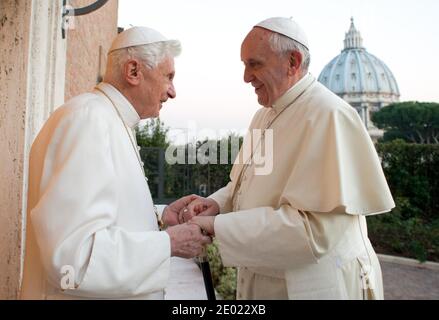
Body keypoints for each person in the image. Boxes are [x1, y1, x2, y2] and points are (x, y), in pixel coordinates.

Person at [174, 17, 395, 300]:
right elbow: (243, 184)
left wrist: (217, 227)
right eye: (244, 65)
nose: (245, 77)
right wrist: (215, 204)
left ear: (292, 61)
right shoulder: (264, 114)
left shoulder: (329, 115)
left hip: (314, 286)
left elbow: (313, 231)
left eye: (255, 64)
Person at [20, 26, 211, 300]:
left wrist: (160, 216)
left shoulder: (108, 119)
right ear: (133, 71)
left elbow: (104, 213)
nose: (172, 91)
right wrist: (168, 243)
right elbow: (73, 258)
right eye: (168, 76)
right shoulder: (90, 121)